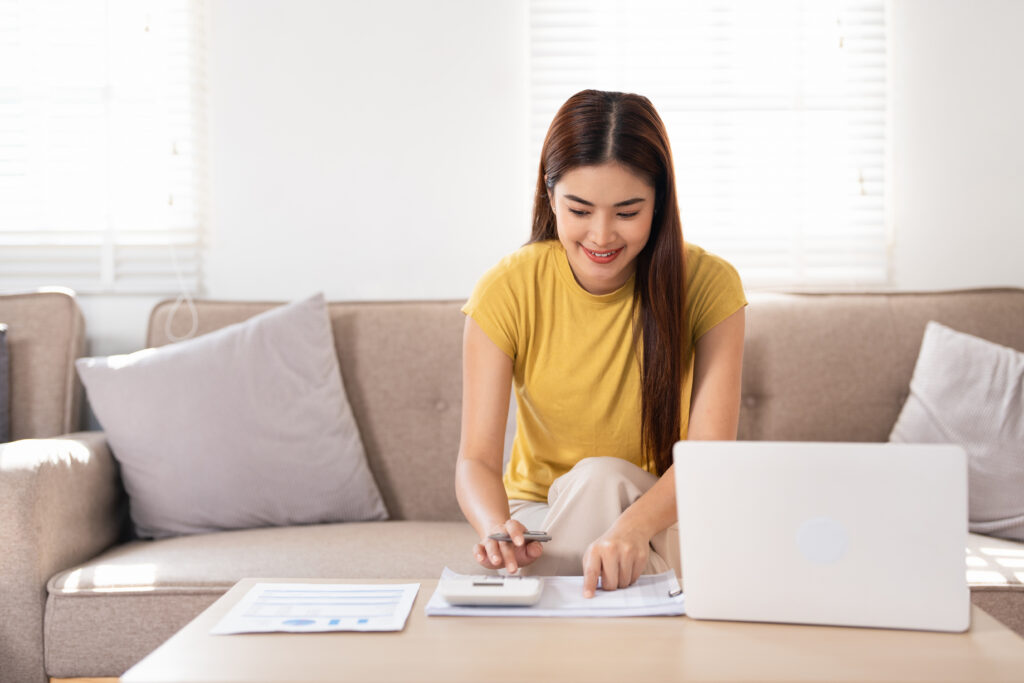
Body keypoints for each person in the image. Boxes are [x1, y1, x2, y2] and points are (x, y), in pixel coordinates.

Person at [455, 89, 747, 598]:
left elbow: (708, 456)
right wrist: (497, 531)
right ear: (550, 198)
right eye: (580, 210)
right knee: (592, 487)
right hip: (545, 517)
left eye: (628, 212)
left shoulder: (709, 285)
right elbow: (476, 461)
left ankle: (545, 618)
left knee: (601, 478)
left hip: (662, 513)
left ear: (659, 204)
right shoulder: (507, 289)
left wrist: (631, 528)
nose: (602, 235)